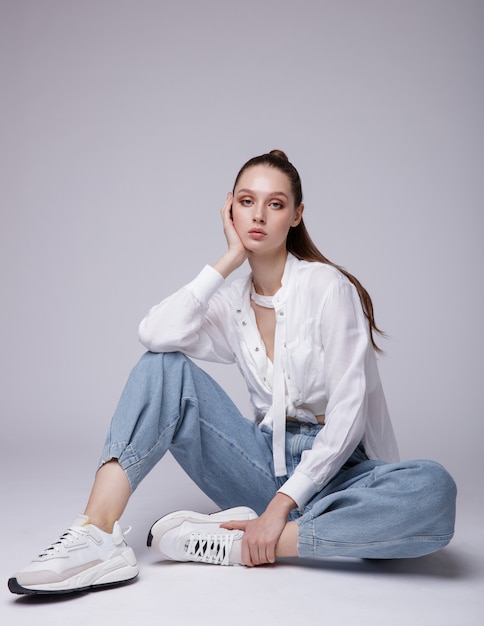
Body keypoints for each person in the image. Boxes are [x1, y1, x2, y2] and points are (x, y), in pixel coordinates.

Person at [8, 150, 457, 595]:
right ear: (230, 209)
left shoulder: (327, 288)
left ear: (297, 216)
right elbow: (155, 333)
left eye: (275, 204)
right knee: (161, 367)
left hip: (341, 473)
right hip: (262, 464)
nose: (259, 215)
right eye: (246, 202)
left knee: (433, 490)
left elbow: (348, 417)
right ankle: (97, 535)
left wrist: (281, 507)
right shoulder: (232, 302)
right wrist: (228, 259)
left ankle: (248, 543)